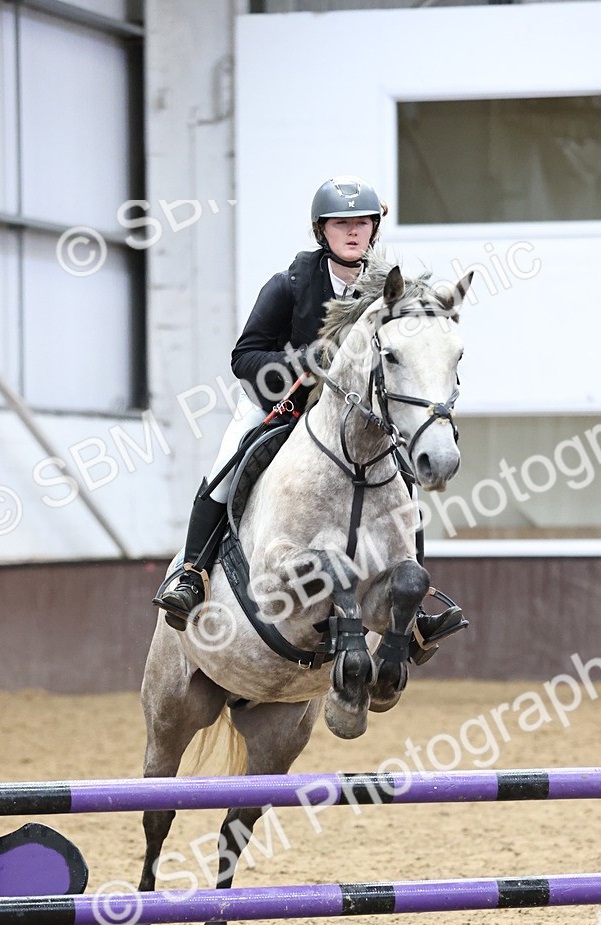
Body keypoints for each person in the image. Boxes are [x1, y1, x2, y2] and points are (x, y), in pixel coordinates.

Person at [154, 175, 465, 658]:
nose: (353, 232)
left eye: (362, 222)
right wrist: (298, 364)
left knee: (402, 484)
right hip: (281, 405)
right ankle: (191, 574)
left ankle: (414, 612)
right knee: (224, 471)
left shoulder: (387, 287)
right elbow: (245, 356)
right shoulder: (290, 284)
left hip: (351, 415)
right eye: (342, 224)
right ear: (322, 231)